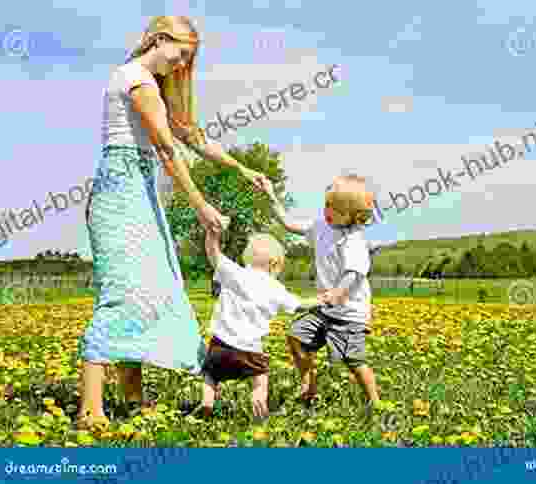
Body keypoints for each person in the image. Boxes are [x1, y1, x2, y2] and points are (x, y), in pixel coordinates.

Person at [77, 16, 270, 428]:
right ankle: (89, 410)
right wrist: (201, 206)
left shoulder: (152, 84)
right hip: (120, 193)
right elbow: (167, 149)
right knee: (122, 293)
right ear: (160, 39)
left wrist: (241, 169)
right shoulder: (136, 79)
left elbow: (193, 138)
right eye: (181, 54)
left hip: (139, 191)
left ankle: (132, 397)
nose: (182, 66)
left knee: (147, 290)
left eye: (188, 60)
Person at [260, 174, 380, 413]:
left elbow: (353, 274)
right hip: (325, 308)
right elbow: (288, 224)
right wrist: (270, 195)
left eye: (334, 208)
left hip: (348, 313)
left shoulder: (353, 240)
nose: (327, 210)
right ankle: (309, 387)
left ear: (353, 216)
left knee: (353, 360)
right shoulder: (321, 226)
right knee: (296, 335)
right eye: (326, 204)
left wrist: (336, 294)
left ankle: (375, 403)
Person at [189, 228, 320, 422]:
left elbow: (213, 253)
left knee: (210, 375)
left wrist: (212, 233)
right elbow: (299, 305)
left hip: (219, 345)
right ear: (275, 264)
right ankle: (259, 411)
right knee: (260, 380)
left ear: (247, 257)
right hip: (250, 350)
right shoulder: (275, 287)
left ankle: (207, 403)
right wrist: (322, 299)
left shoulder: (234, 272)